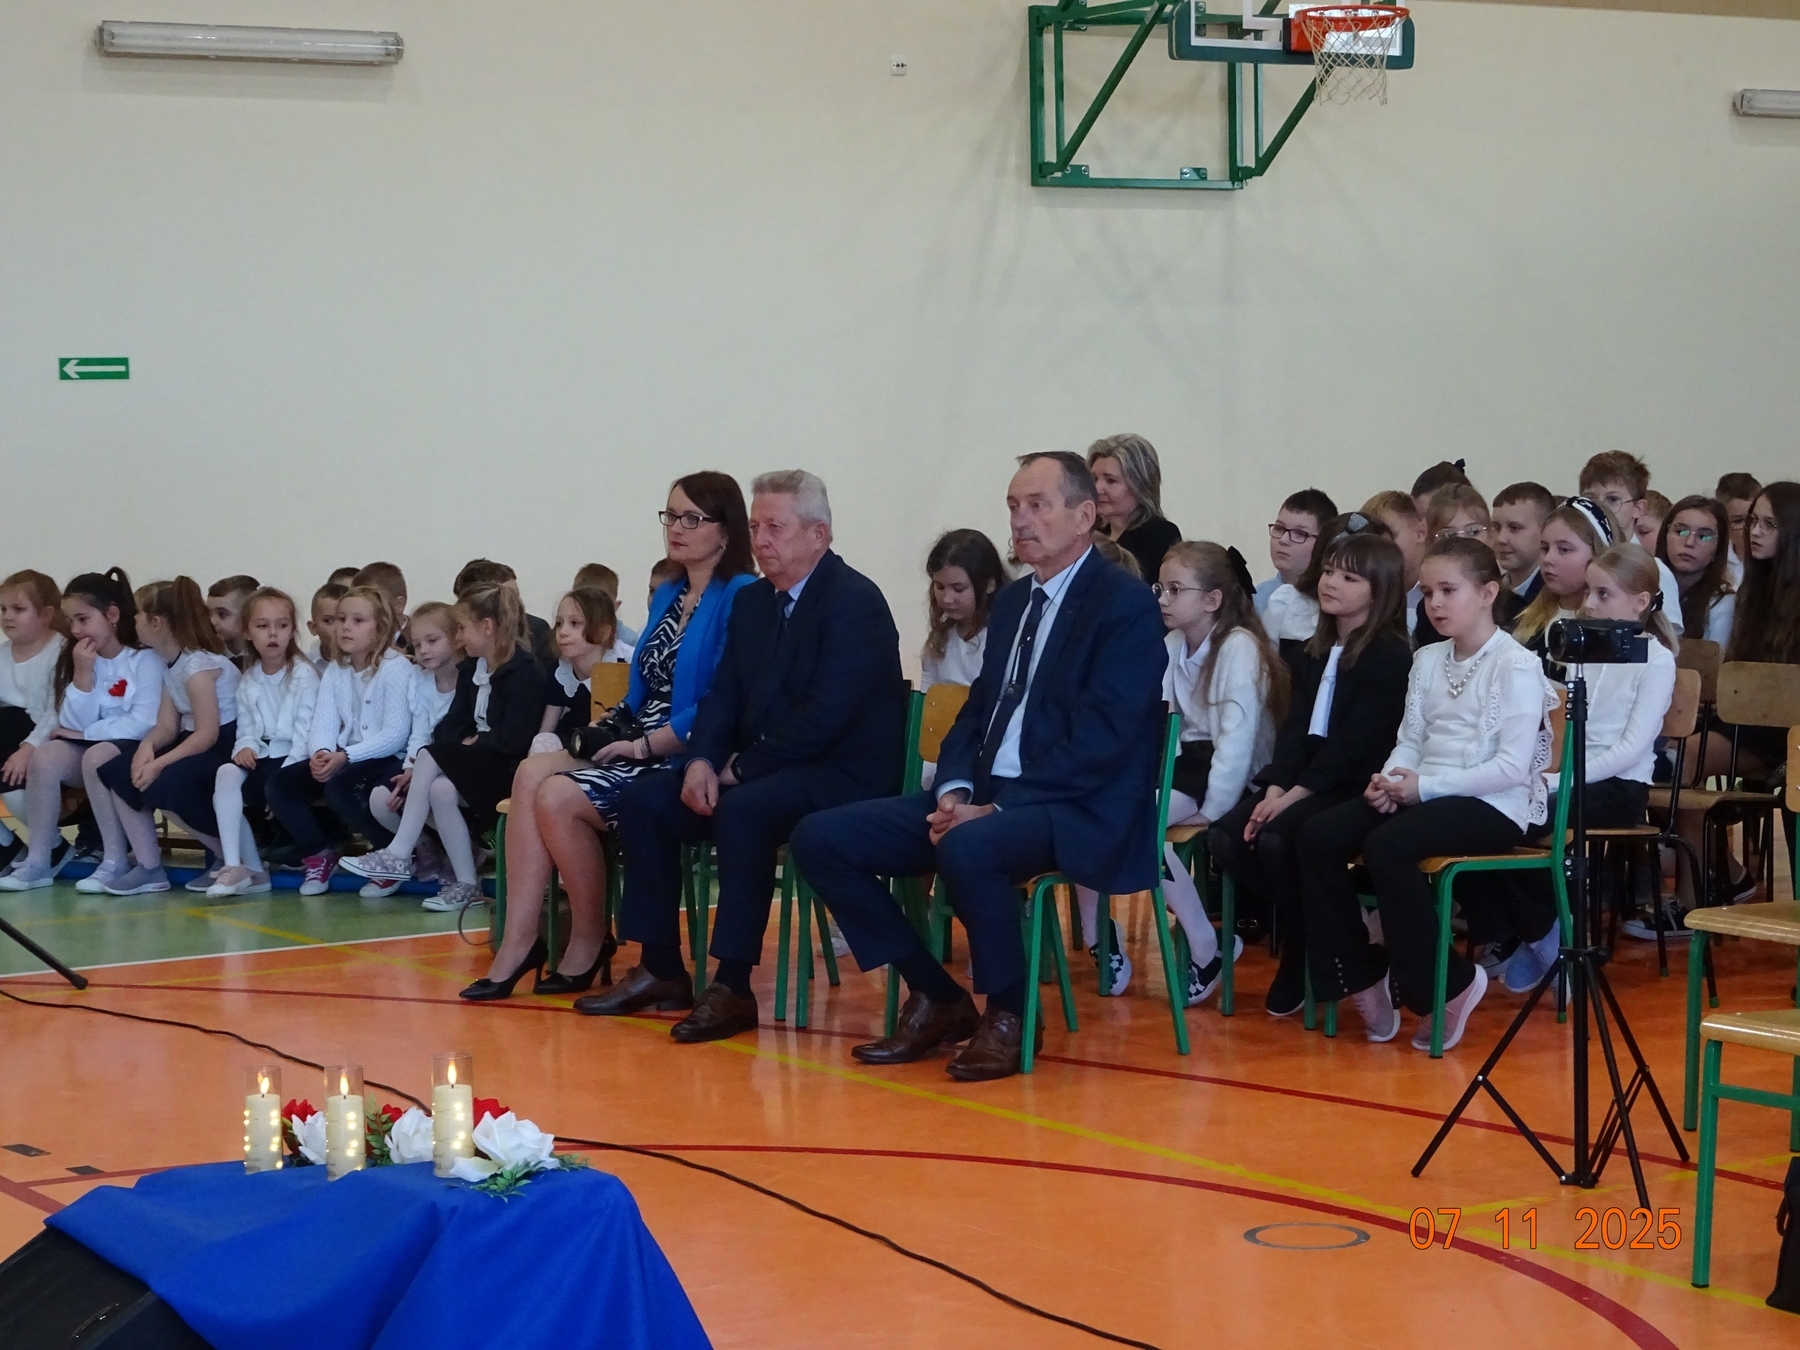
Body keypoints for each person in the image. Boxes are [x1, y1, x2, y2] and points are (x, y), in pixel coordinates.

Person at [790, 452, 1166, 1082]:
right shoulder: (1015, 602)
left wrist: (999, 807)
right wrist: (956, 788)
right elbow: (977, 711)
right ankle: (936, 994)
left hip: (1075, 804)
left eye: (1037, 505)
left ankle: (1012, 1013)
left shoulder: (1123, 604)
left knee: (970, 847)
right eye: (1014, 506)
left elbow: (1106, 736)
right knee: (821, 838)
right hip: (987, 799)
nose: (1020, 519)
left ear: (1084, 516)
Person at [576, 469, 907, 1040]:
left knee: (743, 810)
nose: (761, 540)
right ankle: (659, 967)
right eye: (755, 527)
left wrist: (742, 768)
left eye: (775, 527)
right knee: (647, 800)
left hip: (841, 773)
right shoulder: (755, 602)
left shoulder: (855, 602)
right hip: (763, 767)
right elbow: (723, 697)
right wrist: (702, 761)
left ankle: (732, 985)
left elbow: (826, 718)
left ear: (819, 534)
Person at [462, 472, 757, 1001]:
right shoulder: (670, 594)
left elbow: (722, 699)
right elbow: (641, 690)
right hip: (638, 738)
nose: (677, 527)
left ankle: (588, 938)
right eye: (671, 515)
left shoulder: (741, 595)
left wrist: (645, 744)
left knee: (556, 796)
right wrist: (603, 730)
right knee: (531, 771)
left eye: (693, 518)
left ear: (726, 530)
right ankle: (520, 941)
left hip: (683, 750)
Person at [1298, 537, 1554, 1052]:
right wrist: (1391, 779)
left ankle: (1445, 986)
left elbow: (1511, 767)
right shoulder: (1428, 659)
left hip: (1494, 804)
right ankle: (1362, 973)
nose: (1434, 603)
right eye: (1428, 592)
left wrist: (1423, 788)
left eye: (1448, 591)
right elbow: (1411, 739)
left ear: (1488, 593)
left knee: (1387, 845)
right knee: (1316, 835)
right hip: (1425, 791)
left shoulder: (1516, 665)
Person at [1209, 532, 1411, 1017]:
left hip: (1354, 785)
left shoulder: (1390, 656)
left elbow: (1352, 746)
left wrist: (1292, 797)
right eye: (1329, 571)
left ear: (1380, 590)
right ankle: (1311, 930)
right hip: (1305, 781)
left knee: (1278, 838)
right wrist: (1276, 788)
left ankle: (1304, 947)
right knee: (1228, 837)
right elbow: (1294, 730)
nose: (1331, 583)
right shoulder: (1311, 651)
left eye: (1349, 577)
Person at [1079, 540, 1285, 1003]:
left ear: (1212, 600)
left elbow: (1237, 742)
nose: (1163, 600)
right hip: (1181, 763)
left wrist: (1215, 808)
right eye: (1160, 588)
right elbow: (1160, 723)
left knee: (1137, 826)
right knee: (1088, 813)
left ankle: (1208, 948)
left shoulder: (1239, 647)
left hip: (1225, 774)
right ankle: (1099, 938)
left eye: (1176, 590)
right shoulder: (1173, 644)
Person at [344, 583, 547, 911]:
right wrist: (461, 747)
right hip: (477, 763)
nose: (460, 636)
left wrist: (475, 743)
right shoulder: (472, 669)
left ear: (487, 627)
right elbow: (450, 725)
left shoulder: (525, 673)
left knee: (429, 755)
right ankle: (467, 883)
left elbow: (514, 739)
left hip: (507, 771)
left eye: (463, 628)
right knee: (440, 790)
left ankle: (399, 852)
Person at [1542, 546, 1677, 946]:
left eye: (1603, 594)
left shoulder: (1657, 661)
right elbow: (1567, 729)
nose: (1589, 603)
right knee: (1502, 811)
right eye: (1589, 591)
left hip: (1620, 789)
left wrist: (1562, 781)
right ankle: (1532, 927)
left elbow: (1631, 749)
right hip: (1573, 778)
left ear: (1640, 602)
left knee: (1527, 815)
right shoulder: (1583, 653)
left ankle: (1551, 932)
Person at [0, 571, 160, 892]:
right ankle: (39, 859)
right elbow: (73, 720)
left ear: (112, 615)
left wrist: (89, 734)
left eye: (82, 620)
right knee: (46, 756)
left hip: (132, 746)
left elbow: (143, 721)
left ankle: (114, 860)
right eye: (71, 621)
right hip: (92, 742)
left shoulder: (144, 659)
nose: (74, 630)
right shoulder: (82, 657)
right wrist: (83, 675)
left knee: (95, 757)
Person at [82, 578, 240, 895]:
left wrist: (159, 764)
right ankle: (149, 867)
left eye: (138, 614)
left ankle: (230, 858)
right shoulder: (172, 664)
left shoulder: (197, 668)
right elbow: (168, 725)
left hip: (224, 743)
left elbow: (208, 733)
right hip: (195, 739)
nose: (133, 620)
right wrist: (147, 748)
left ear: (156, 622)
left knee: (162, 781)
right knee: (121, 772)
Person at [264, 585, 412, 895]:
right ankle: (320, 851)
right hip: (345, 755)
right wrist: (321, 753)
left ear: (380, 628)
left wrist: (345, 756)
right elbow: (324, 721)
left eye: (358, 620)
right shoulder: (336, 669)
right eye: (341, 619)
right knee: (280, 783)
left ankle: (391, 856)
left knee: (341, 788)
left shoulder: (396, 668)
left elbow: (395, 735)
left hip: (385, 756)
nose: (345, 627)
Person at [207, 588, 320, 897]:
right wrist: (244, 746)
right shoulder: (250, 678)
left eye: (282, 626)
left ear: (292, 631)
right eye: (262, 626)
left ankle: (254, 868)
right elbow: (246, 727)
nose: (273, 634)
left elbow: (305, 733)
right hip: (265, 754)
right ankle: (240, 867)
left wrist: (282, 778)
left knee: (270, 787)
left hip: (296, 759)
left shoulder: (304, 675)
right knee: (226, 774)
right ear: (247, 632)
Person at [359, 601, 461, 897]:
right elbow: (420, 733)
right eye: (417, 644)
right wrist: (410, 768)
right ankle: (423, 849)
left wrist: (422, 770)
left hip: (453, 767)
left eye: (432, 641)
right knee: (381, 798)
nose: (424, 650)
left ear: (456, 638)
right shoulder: (421, 681)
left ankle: (463, 851)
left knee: (435, 791)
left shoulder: (471, 680)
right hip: (425, 764)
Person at [0, 572, 68, 875]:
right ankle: (7, 846)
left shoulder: (61, 652)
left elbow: (57, 712)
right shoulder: (3, 654)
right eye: (3, 609)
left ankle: (52, 845)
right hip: (10, 738)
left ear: (46, 614)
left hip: (47, 738)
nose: (7, 617)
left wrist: (28, 748)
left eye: (18, 609)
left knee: (8, 728)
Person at [1511, 497, 1621, 675]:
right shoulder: (1527, 619)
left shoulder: (1607, 631)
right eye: (1545, 548)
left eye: (1564, 549)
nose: (1548, 559)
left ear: (1600, 555)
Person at [1575, 453, 1682, 631]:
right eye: (1590, 500)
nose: (1600, 508)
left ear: (1638, 508)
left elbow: (1667, 638)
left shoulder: (1656, 571)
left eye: (1613, 499)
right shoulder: (1577, 561)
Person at [529, 589, 632, 757]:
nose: (563, 632)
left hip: (614, 748)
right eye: (559, 623)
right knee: (542, 742)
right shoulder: (560, 670)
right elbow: (546, 729)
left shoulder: (625, 665)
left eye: (575, 623)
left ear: (603, 632)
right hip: (574, 741)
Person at [921, 528, 1007, 690]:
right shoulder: (940, 640)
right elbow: (927, 696)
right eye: (940, 587)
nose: (947, 599)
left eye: (958, 589)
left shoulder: (1003, 636)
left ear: (989, 584)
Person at [1087, 434, 1181, 581]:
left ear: (1140, 486)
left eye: (1111, 481)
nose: (1097, 488)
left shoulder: (1159, 535)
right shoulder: (1090, 531)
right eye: (1094, 479)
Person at [1417, 485, 1492, 643]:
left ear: (1491, 535)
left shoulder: (1512, 606)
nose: (1462, 542)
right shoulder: (1428, 609)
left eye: (1473, 532)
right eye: (1449, 535)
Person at [1657, 495, 1736, 646]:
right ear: (1665, 535)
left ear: (1718, 548)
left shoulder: (1722, 603)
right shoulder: (1643, 585)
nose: (1689, 542)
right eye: (1681, 531)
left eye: (1704, 536)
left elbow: (1715, 658)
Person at [454, 558, 555, 674]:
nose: (517, 603)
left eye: (516, 595)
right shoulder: (464, 638)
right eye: (507, 597)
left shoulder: (537, 628)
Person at [1256, 489, 1337, 616]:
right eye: (1279, 528)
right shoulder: (1254, 600)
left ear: (1324, 542)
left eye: (1300, 533)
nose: (1283, 540)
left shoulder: (1332, 600)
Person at [1489, 482, 1555, 628]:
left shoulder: (1554, 595)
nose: (1501, 539)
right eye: (1496, 527)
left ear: (1545, 531)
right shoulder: (1490, 590)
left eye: (1514, 528)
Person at [1362, 491, 1429, 631]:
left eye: (1391, 536)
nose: (1381, 548)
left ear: (1420, 533)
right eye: (1373, 541)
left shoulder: (1442, 586)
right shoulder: (1368, 592)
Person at [573, 563, 638, 645]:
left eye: (599, 608)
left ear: (614, 607)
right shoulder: (568, 634)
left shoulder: (629, 641)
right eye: (584, 606)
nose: (592, 614)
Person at [352, 562, 410, 652]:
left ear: (399, 605)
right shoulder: (355, 640)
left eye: (375, 602)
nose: (363, 610)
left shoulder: (420, 642)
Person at [1716, 471, 1759, 588]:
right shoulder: (1716, 562)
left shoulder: (1782, 562)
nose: (1749, 527)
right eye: (1738, 521)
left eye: (1754, 518)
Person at [206, 576, 260, 666]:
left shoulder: (265, 657)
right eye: (208, 613)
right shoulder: (207, 659)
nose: (212, 621)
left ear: (248, 615)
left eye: (222, 614)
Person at [304, 582, 345, 670]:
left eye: (343, 619)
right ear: (313, 627)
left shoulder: (365, 666)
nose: (337, 628)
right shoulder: (305, 665)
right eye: (328, 621)